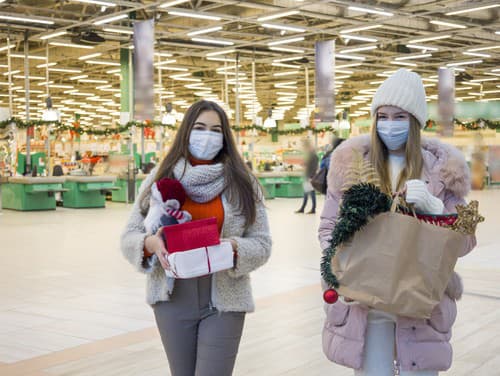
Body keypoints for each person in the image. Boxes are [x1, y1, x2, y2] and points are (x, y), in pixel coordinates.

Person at [318, 69, 476, 376]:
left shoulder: (443, 171)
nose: (390, 125)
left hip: (420, 302)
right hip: (364, 301)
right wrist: (342, 264)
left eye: (400, 117)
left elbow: (466, 240)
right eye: (383, 116)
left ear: (415, 121)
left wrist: (435, 209)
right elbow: (327, 228)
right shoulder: (351, 164)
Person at [121, 100, 272, 376]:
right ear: (186, 131)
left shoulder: (242, 182)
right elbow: (130, 235)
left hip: (225, 300)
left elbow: (262, 243)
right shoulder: (160, 178)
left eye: (216, 130)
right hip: (173, 298)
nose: (208, 136)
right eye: (200, 127)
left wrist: (235, 248)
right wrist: (151, 244)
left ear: (225, 137)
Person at [295, 138, 319, 214]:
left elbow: (314, 167)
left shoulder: (313, 155)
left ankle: (313, 208)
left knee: (311, 193)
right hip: (307, 176)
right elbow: (309, 165)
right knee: (306, 193)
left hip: (310, 176)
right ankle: (303, 208)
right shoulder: (310, 155)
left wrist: (311, 176)